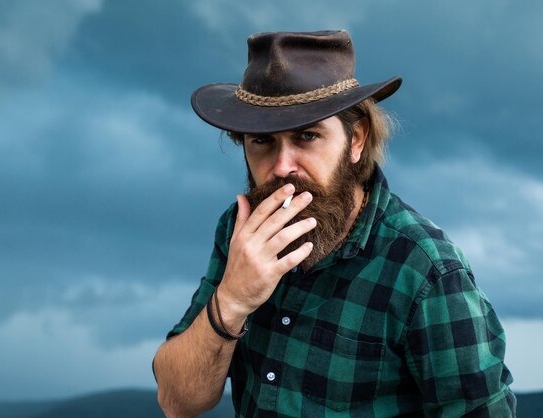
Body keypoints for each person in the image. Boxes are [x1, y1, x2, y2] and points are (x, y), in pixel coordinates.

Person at [152, 30, 516, 417]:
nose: (281, 167)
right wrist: (232, 300)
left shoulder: (426, 271)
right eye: (262, 141)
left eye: (307, 136)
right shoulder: (240, 231)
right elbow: (177, 401)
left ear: (355, 140)